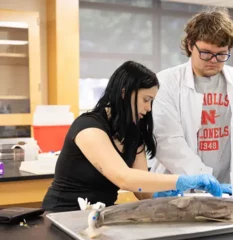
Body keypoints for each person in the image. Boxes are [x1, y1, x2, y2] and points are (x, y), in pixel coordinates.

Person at [42, 61, 222, 212]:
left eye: (152, 101)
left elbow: (142, 190)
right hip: (62, 213)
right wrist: (183, 180)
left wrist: (178, 197)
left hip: (98, 214)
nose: (149, 108)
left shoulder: (133, 134)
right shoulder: (89, 127)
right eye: (145, 100)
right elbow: (124, 178)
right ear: (124, 93)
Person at [150, 7, 233, 195]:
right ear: (190, 45)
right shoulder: (166, 82)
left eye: (221, 54)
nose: (213, 60)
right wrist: (204, 179)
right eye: (205, 53)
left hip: (231, 188)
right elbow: (168, 141)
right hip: (180, 189)